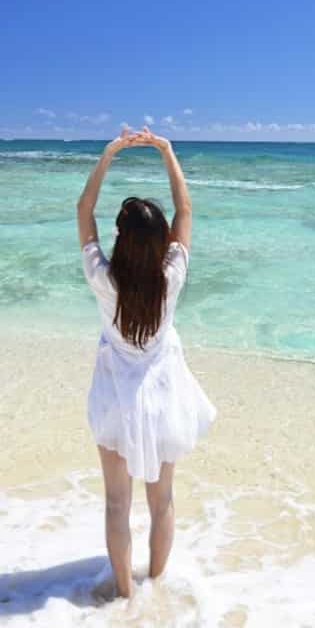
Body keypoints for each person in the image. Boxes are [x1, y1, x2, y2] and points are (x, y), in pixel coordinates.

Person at [76, 127, 217, 600]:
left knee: (117, 503)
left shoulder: (103, 279)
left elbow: (83, 211)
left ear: (120, 236)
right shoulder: (171, 277)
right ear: (163, 240)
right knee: (163, 502)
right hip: (163, 399)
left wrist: (110, 152)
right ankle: (156, 587)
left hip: (115, 399)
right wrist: (167, 151)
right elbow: (187, 210)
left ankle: (124, 596)